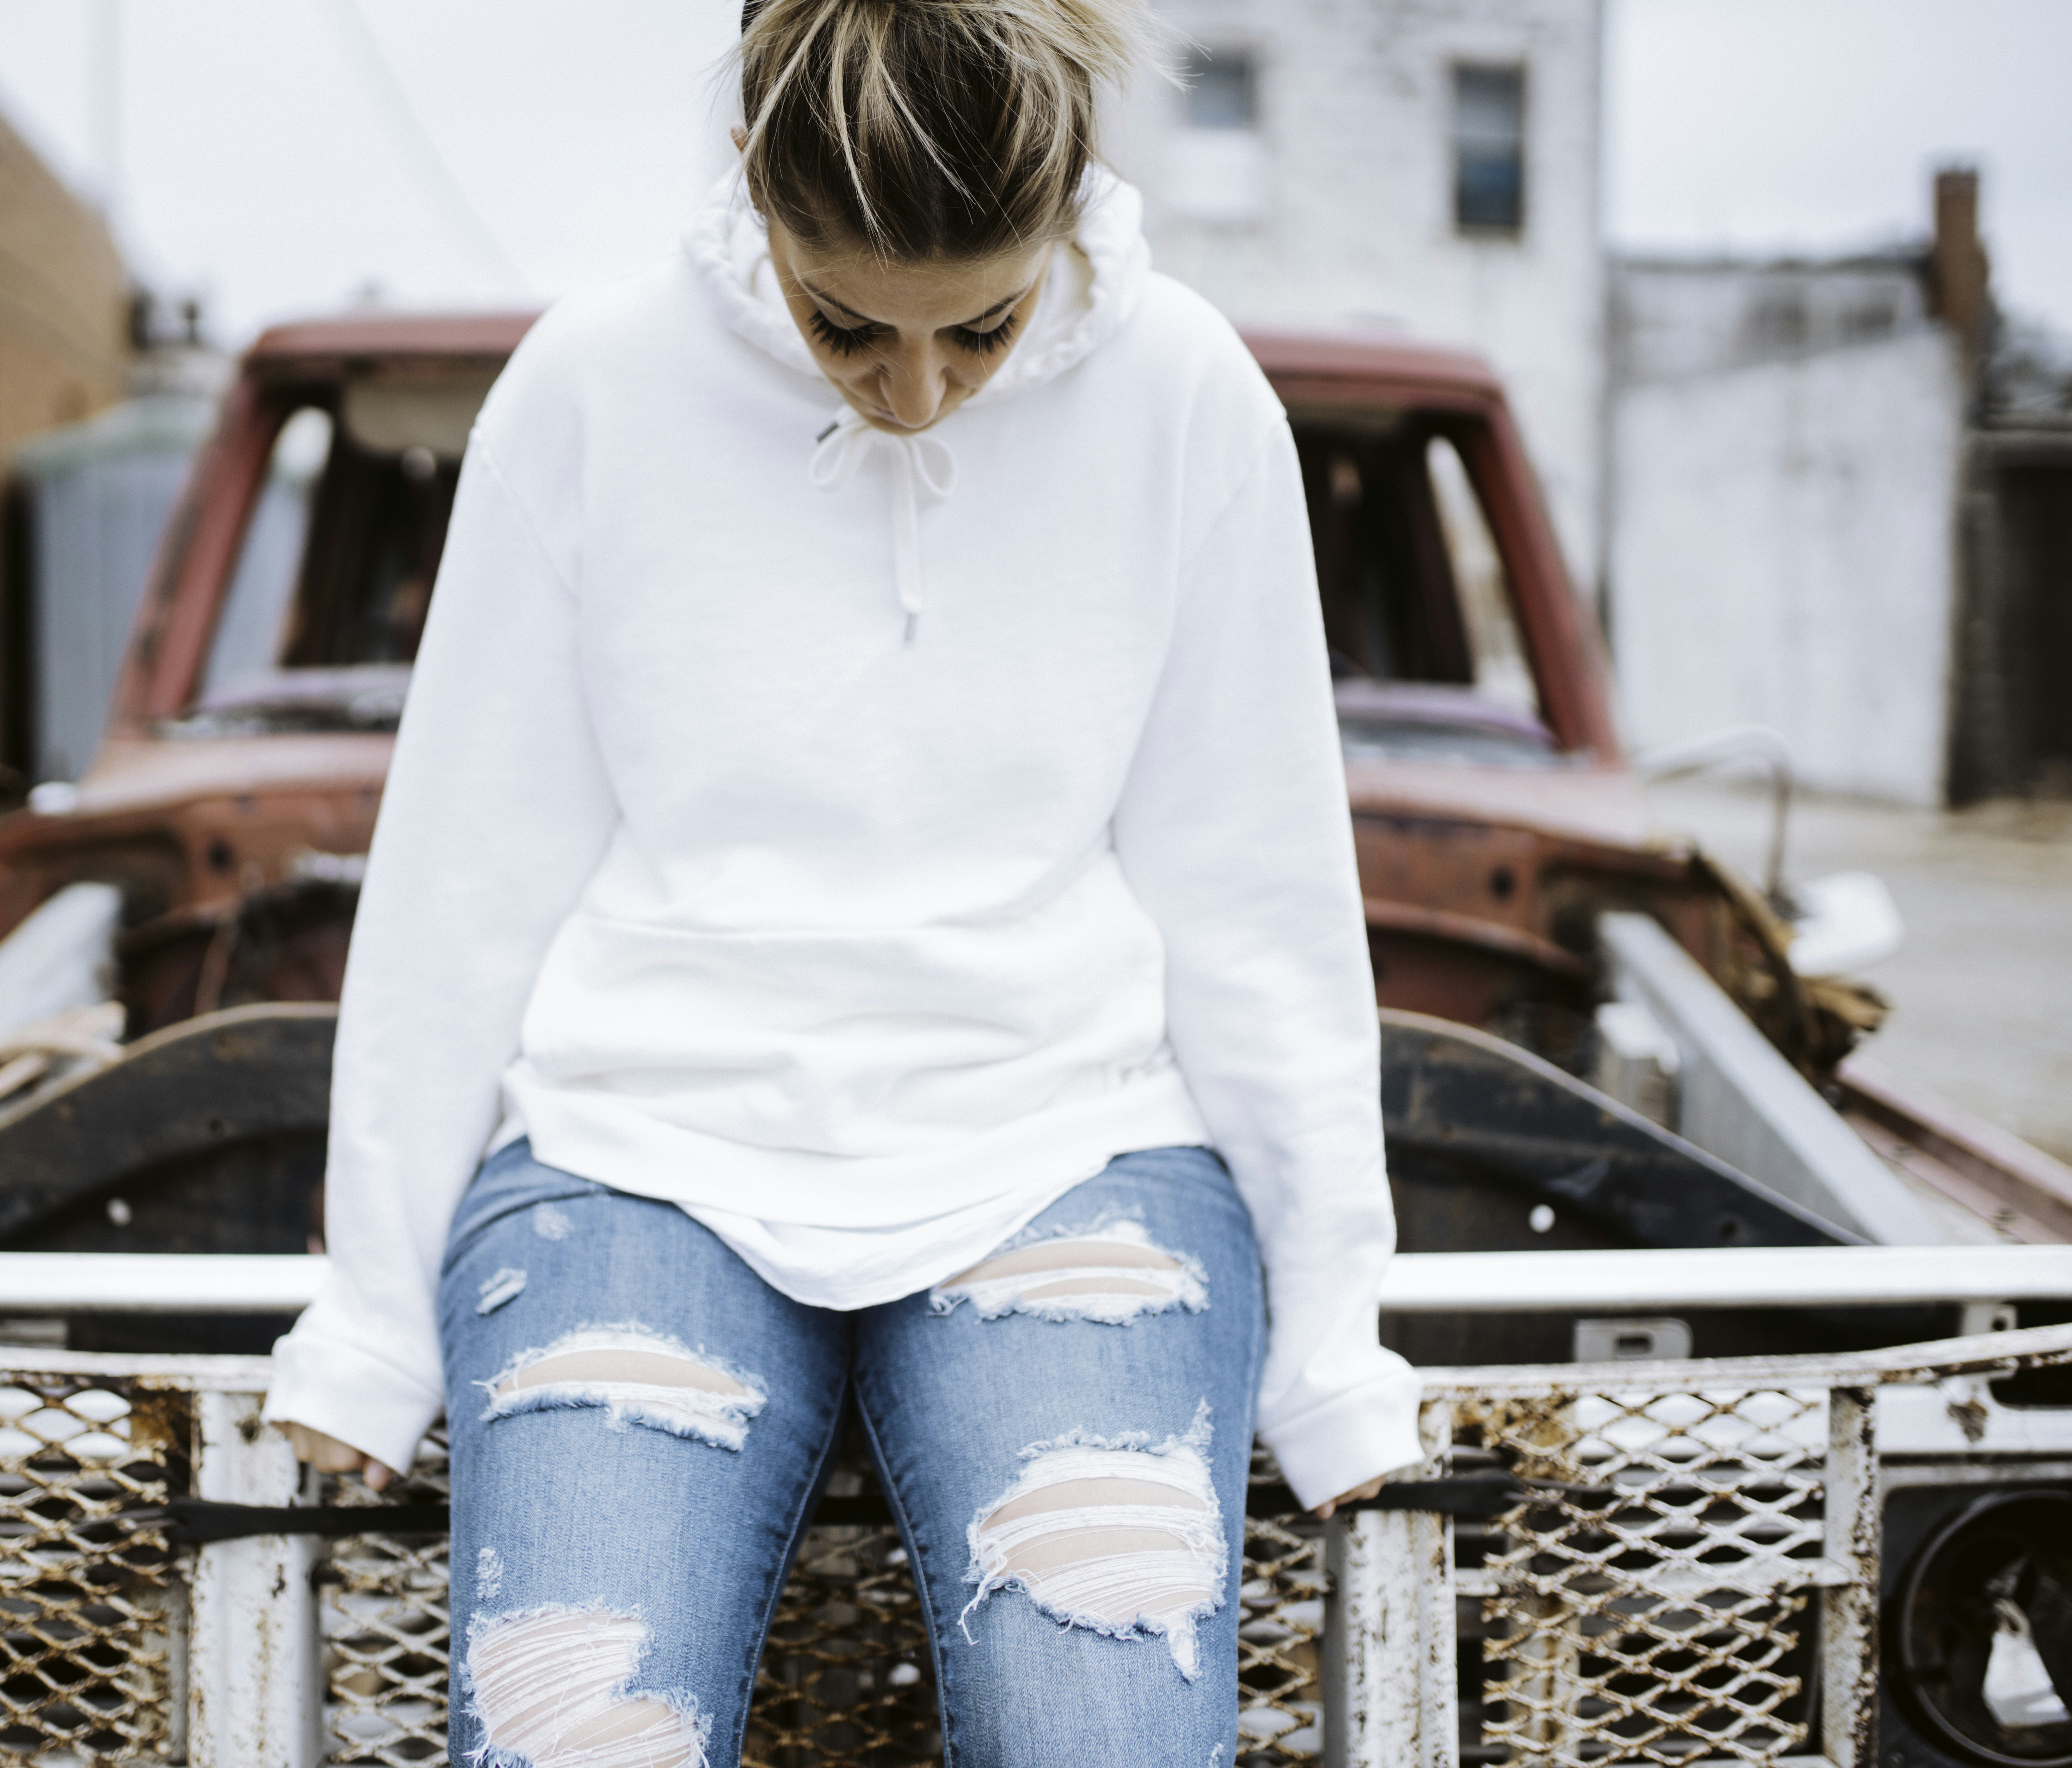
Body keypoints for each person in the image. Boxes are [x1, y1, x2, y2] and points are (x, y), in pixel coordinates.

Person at [268, 1, 1418, 1760]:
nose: (914, 388)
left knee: (1100, 1733)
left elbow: (1254, 887)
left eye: (980, 324)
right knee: (580, 1730)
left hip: (1067, 1136)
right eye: (844, 323)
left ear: (1071, 207)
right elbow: (466, 869)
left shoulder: (1188, 394)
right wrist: (366, 1316)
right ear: (752, 179)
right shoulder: (589, 386)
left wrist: (1336, 1348)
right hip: (637, 1152)